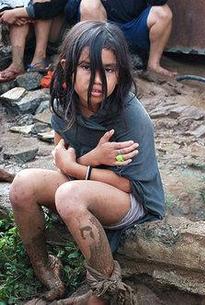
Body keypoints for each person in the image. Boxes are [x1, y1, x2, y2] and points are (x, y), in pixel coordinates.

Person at [9, 20, 165, 304]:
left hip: (133, 201)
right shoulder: (63, 101)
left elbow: (129, 184)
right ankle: (46, 271)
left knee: (68, 194)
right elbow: (62, 160)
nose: (98, 80)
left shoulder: (130, 116)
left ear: (120, 71)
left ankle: (105, 292)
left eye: (108, 69)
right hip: (87, 183)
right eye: (86, 67)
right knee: (21, 185)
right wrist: (89, 160)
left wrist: (76, 168)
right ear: (68, 67)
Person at [65, 0, 176, 78]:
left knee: (163, 13)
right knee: (89, 4)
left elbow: (158, 2)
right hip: (104, 26)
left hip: (134, 26)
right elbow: (70, 10)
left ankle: (153, 65)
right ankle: (97, 61)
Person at [0, 0, 66, 82]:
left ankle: (39, 57)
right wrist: (9, 13)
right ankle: (17, 65)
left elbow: (58, 5)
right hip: (29, 31)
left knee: (40, 3)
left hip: (56, 33)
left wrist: (19, 13)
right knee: (17, 7)